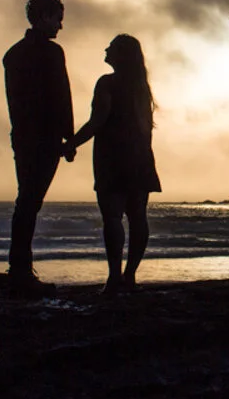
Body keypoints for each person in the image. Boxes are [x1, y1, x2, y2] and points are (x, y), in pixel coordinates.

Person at [65, 34, 161, 294]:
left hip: (113, 157)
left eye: (111, 47)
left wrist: (71, 143)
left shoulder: (107, 83)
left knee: (112, 217)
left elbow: (98, 120)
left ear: (120, 54)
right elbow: (147, 129)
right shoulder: (142, 87)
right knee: (138, 217)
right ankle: (129, 277)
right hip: (140, 156)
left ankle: (114, 278)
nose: (105, 49)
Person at [3, 0, 75, 298]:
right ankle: (20, 271)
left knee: (26, 201)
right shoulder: (51, 53)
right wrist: (68, 138)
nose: (61, 25)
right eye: (57, 18)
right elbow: (62, 96)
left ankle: (19, 267)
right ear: (43, 17)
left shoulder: (13, 54)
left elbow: (15, 102)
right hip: (44, 137)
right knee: (30, 202)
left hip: (22, 135)